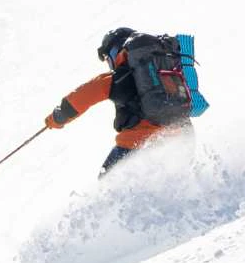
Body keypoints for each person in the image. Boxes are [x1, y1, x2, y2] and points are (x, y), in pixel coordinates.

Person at [44, 26, 195, 174]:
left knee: (106, 183)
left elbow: (84, 95)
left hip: (138, 142)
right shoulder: (167, 64)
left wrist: (57, 118)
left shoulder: (118, 78)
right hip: (183, 133)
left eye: (109, 57)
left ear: (116, 50)